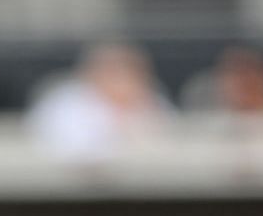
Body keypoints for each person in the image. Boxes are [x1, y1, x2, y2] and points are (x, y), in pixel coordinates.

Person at [26, 42, 170, 160]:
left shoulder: (152, 100)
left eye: (131, 72)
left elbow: (167, 145)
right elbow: (71, 150)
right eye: (113, 72)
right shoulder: (65, 103)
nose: (123, 81)